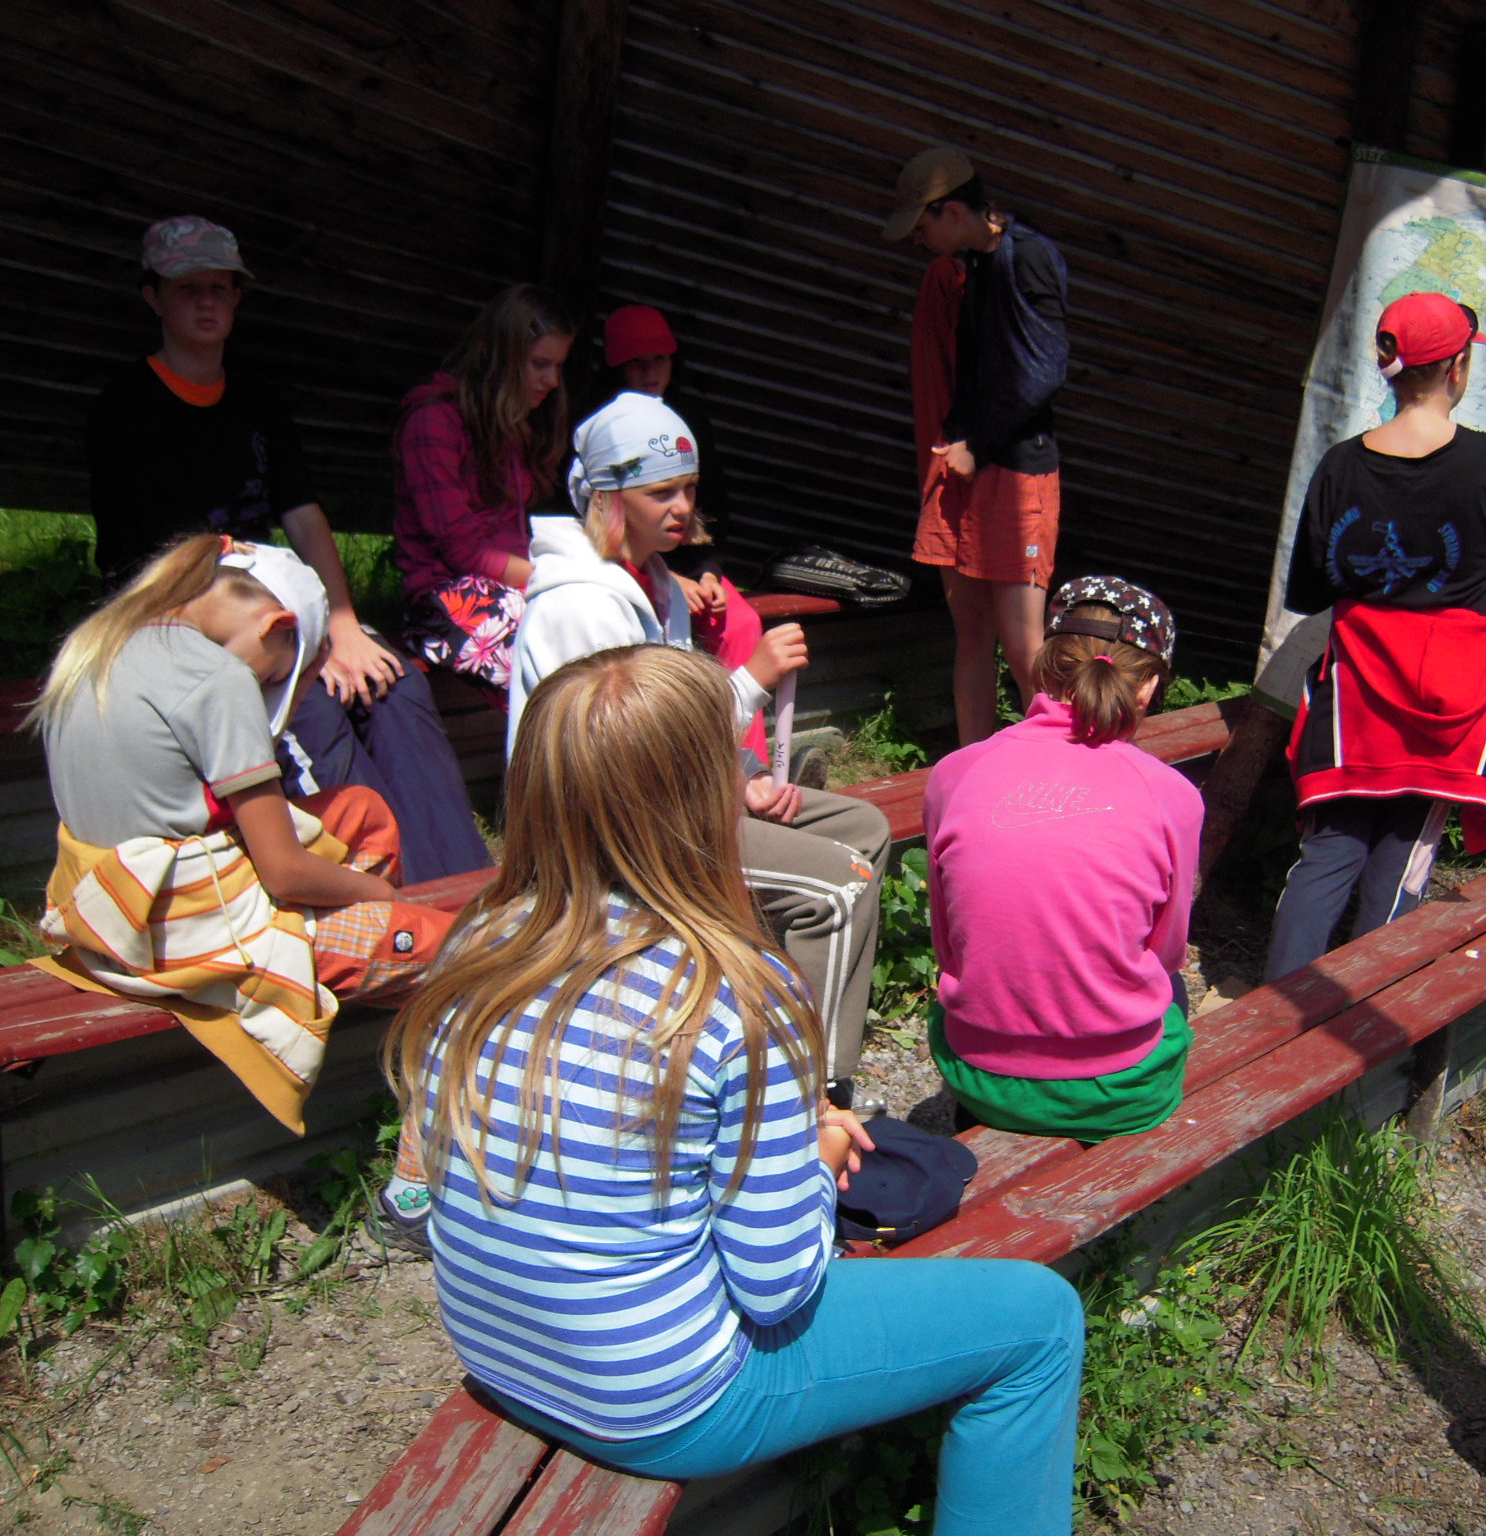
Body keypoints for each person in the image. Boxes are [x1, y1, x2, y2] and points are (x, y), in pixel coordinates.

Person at [385, 645, 1083, 1530]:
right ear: (704, 800)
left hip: (499, 1354)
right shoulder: (732, 995)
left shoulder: (476, 945)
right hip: (660, 1401)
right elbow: (776, 1284)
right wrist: (816, 1156)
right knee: (1040, 1320)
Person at [87, 214, 491, 883]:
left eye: (220, 288)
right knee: (309, 705)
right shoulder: (124, 409)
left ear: (237, 297)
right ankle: (386, 889)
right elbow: (142, 572)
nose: (207, 302)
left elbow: (302, 515)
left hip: (276, 602)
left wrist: (339, 624)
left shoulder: (256, 398)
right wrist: (291, 641)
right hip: (191, 624)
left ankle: (463, 885)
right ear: (153, 297)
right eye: (188, 289)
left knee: (391, 680)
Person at [508, 391, 890, 1097]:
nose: (682, 506)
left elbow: (680, 728)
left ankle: (762, 1012)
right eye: (660, 492)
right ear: (605, 496)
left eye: (688, 487)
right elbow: (622, 756)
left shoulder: (658, 586)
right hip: (614, 833)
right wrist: (750, 684)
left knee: (862, 827)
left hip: (673, 800)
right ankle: (805, 1090)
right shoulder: (580, 603)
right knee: (839, 885)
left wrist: (744, 775)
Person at [25, 534, 457, 1135]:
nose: (267, 691)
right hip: (189, 936)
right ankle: (409, 1052)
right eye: (277, 674)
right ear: (275, 625)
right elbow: (284, 871)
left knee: (360, 809)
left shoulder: (100, 644)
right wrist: (381, 898)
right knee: (459, 948)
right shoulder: (217, 678)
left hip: (109, 912)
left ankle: (349, 955)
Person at [1262, 290, 1486, 982]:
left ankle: (1276, 1004)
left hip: (1357, 698)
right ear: (1458, 369)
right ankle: (1362, 1015)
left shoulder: (1341, 467)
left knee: (1328, 854)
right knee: (1402, 858)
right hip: (1451, 701)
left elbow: (1315, 588)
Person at [923, 577, 1202, 1142]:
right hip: (1120, 1091)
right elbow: (1167, 952)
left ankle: (979, 1129)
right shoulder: (1171, 793)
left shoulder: (955, 773)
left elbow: (949, 945)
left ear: (1043, 668)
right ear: (1148, 687)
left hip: (980, 1078)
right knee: (1172, 992)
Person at [882, 146, 1069, 748]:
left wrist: (979, 444)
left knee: (1024, 647)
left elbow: (1045, 371)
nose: (918, 240)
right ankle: (973, 767)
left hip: (1016, 471)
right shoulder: (973, 264)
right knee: (971, 632)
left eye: (921, 226)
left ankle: (1056, 771)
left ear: (952, 210)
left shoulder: (1029, 256)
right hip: (965, 465)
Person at [597, 303, 769, 759]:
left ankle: (748, 766)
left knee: (742, 622)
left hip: (690, 565)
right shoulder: (597, 429)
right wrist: (669, 578)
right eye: (637, 362)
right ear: (615, 367)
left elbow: (713, 508)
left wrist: (710, 571)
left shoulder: (688, 420)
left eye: (660, 359)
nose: (650, 371)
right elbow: (598, 526)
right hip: (625, 567)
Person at [391, 283, 576, 706]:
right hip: (443, 603)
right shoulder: (432, 423)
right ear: (500, 355)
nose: (552, 380)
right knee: (553, 670)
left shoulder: (510, 425)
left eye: (558, 366)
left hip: (508, 591)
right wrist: (553, 578)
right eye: (540, 364)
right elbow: (465, 552)